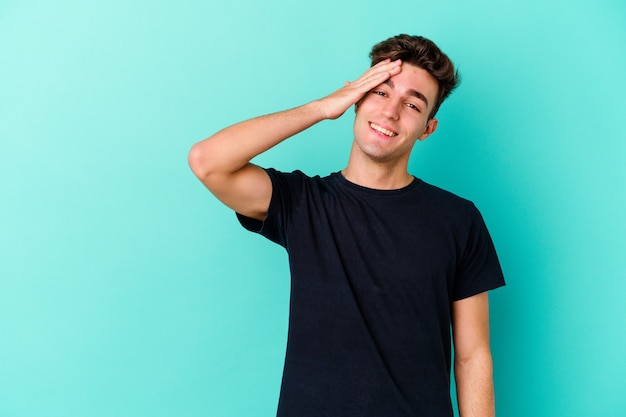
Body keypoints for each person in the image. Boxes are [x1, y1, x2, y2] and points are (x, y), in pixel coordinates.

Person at [189, 34, 505, 417]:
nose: (391, 112)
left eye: (411, 104)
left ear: (427, 128)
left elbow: (472, 356)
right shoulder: (302, 202)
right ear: (357, 97)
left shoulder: (459, 219)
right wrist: (322, 108)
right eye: (381, 92)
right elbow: (208, 161)